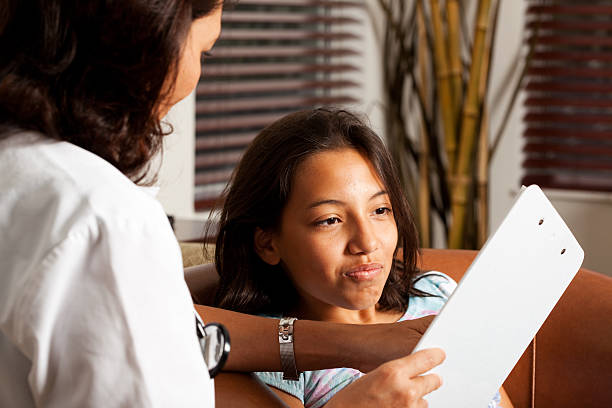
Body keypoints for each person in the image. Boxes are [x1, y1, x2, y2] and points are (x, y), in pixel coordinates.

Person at [0, 1, 445, 407]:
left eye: (381, 209)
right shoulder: (105, 220)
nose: (192, 82)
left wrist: (355, 341)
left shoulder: (26, 179)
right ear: (145, 45)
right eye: (203, 52)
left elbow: (170, 320)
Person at [211, 108, 514, 407]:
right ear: (267, 244)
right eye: (330, 220)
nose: (367, 242)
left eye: (380, 210)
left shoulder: (438, 293)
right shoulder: (267, 358)